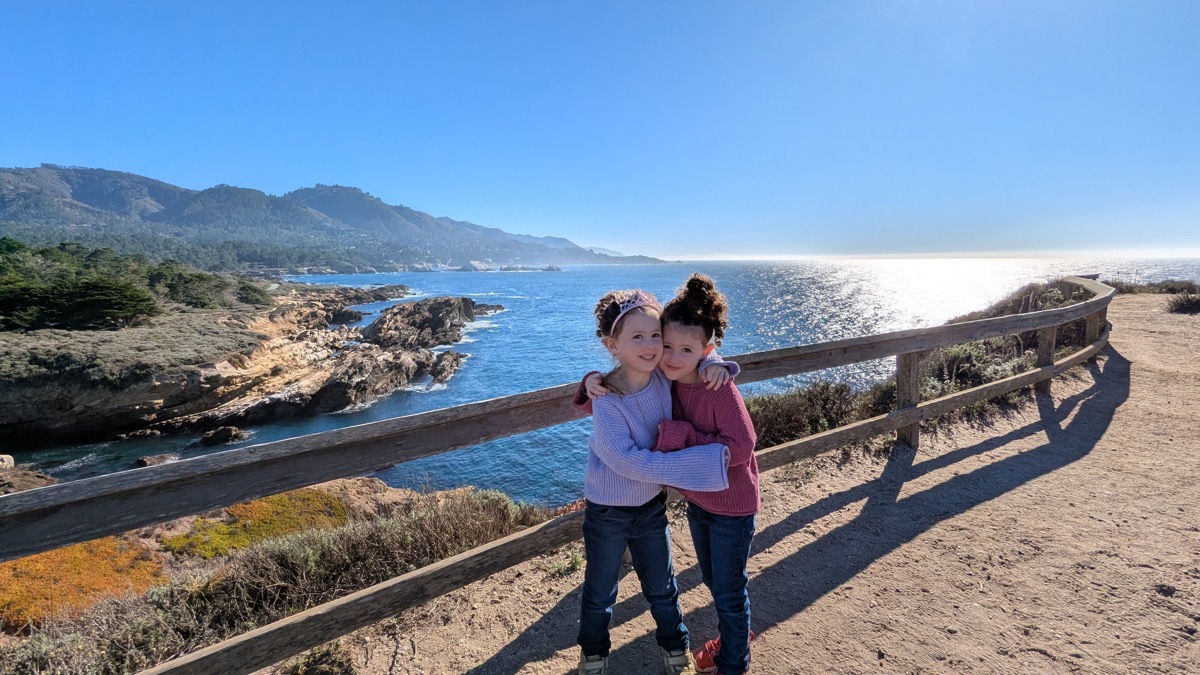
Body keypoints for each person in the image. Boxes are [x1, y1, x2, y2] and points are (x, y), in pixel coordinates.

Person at [585, 274, 759, 675]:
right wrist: (591, 381)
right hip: (693, 502)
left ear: (705, 348)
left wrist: (685, 434)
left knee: (727, 590)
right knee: (716, 584)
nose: (667, 355)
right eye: (665, 345)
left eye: (683, 349)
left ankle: (733, 662)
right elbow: (628, 381)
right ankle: (730, 639)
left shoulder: (707, 384)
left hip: (730, 505)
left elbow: (743, 445)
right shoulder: (667, 378)